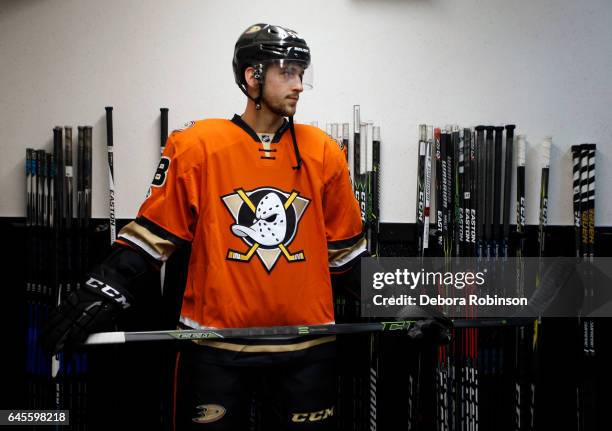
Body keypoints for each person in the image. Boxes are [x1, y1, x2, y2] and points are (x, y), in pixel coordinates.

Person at [42, 23, 450, 430]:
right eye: (287, 72)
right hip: (215, 348)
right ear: (253, 76)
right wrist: (101, 291)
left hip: (306, 348)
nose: (299, 85)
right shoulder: (196, 144)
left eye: (302, 74)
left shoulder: (324, 151)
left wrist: (399, 301)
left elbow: (346, 259)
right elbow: (151, 237)